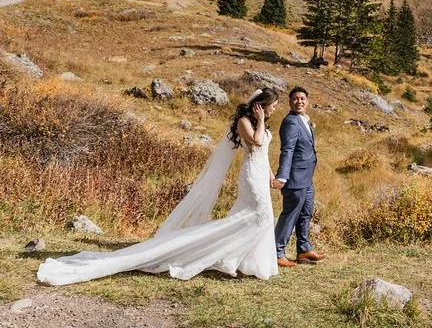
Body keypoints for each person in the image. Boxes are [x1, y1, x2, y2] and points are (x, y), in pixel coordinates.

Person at [37, 89, 281, 286]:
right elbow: (256, 143)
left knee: (255, 218)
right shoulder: (244, 122)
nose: (274, 109)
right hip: (250, 176)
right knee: (260, 216)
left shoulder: (263, 126)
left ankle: (244, 262)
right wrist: (260, 120)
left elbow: (264, 154)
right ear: (260, 106)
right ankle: (222, 255)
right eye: (273, 105)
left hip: (261, 174)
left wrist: (271, 175)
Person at [272, 87, 324, 266]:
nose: (299, 101)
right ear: (290, 102)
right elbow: (287, 150)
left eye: (302, 98)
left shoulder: (303, 120)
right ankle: (277, 252)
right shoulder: (291, 122)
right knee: (290, 215)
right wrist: (283, 176)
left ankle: (304, 250)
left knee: (305, 214)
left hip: (307, 178)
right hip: (295, 178)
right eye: (295, 98)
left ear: (307, 101)